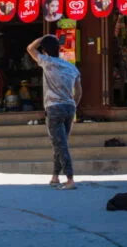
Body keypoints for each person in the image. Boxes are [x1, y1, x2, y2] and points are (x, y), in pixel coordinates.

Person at [27, 34, 82, 190]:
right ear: (59, 49)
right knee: (60, 142)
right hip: (69, 107)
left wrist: (44, 37)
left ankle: (70, 179)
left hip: (54, 107)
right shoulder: (72, 67)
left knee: (60, 144)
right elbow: (79, 90)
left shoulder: (46, 62)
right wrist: (74, 105)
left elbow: (30, 48)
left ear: (44, 50)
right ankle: (55, 177)